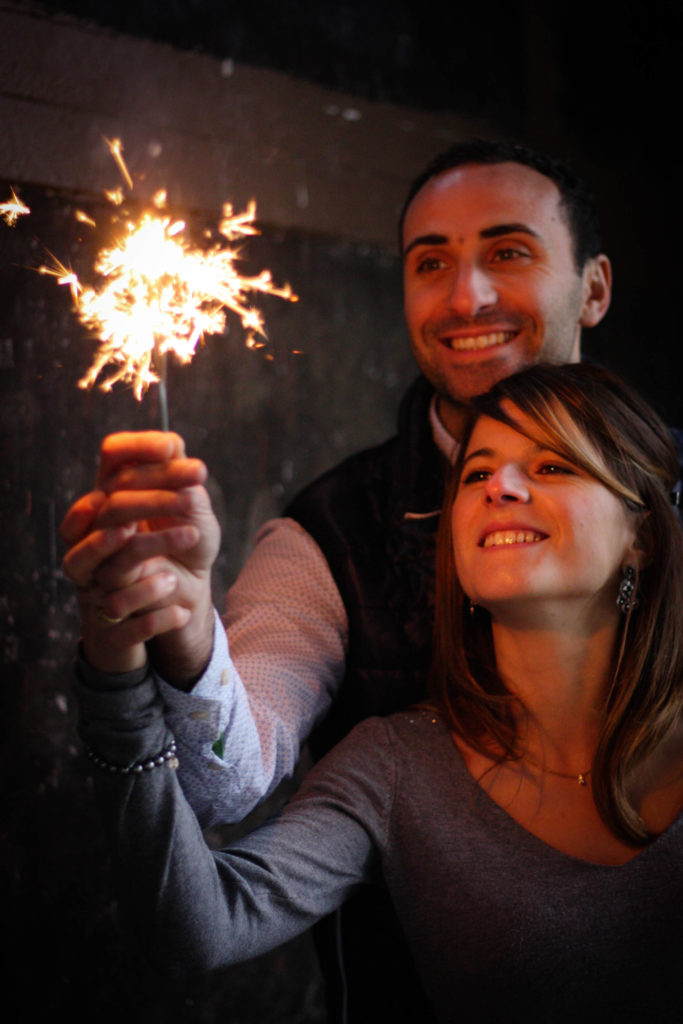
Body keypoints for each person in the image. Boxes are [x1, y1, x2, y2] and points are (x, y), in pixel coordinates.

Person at [60, 140, 683, 1020]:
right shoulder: (331, 538)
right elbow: (228, 790)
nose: (465, 296)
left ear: (594, 287)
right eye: (431, 263)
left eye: (507, 252)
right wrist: (177, 636)